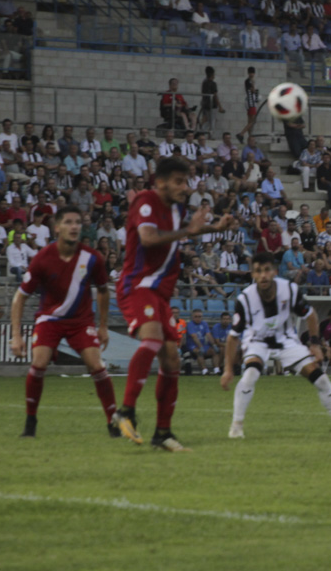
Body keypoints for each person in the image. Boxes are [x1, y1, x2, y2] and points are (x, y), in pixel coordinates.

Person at [112, 158, 233, 452]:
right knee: (152, 340)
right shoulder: (146, 200)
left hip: (161, 294)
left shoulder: (177, 208)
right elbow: (149, 238)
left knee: (172, 360)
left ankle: (163, 434)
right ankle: (124, 412)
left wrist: (213, 227)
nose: (186, 187)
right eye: (179, 181)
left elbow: (185, 231)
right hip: (138, 285)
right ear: (161, 182)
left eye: (187, 180)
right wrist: (189, 232)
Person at [220, 252, 331, 439]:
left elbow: (310, 314)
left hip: (286, 340)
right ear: (253, 275)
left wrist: (314, 344)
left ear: (274, 272)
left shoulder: (289, 289)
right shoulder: (245, 299)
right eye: (258, 271)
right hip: (257, 341)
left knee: (320, 379)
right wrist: (228, 369)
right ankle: (237, 425)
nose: (263, 275)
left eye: (266, 270)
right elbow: (233, 337)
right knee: (250, 374)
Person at [9, 206, 117, 439]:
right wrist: (16, 335)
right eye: (68, 222)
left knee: (97, 366)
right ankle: (30, 422)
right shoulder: (42, 258)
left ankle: (113, 422)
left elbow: (103, 291)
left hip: (80, 321)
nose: (74, 226)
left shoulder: (93, 258)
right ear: (56, 228)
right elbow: (20, 297)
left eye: (77, 222)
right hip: (50, 319)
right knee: (39, 363)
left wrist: (103, 326)